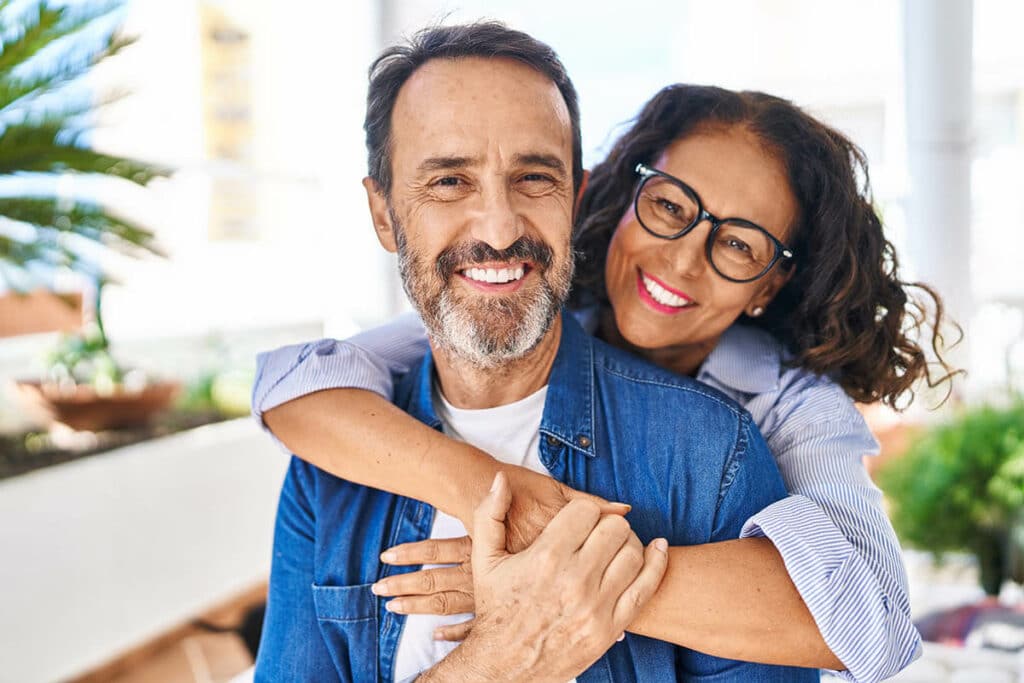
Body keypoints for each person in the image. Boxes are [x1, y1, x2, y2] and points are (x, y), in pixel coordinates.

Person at [254, 27, 958, 683]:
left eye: (739, 243)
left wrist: (568, 580)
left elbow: (872, 616)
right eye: (449, 180)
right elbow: (303, 381)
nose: (682, 261)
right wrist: (493, 501)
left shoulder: (747, 432)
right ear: (621, 199)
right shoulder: (343, 456)